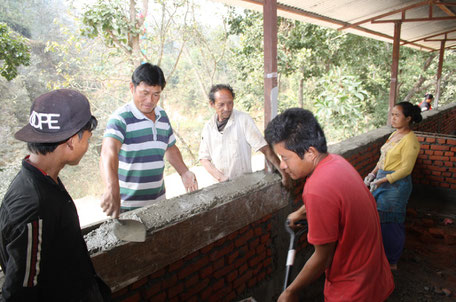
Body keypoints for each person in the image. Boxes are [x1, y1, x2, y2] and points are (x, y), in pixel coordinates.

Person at [265, 108, 394, 302]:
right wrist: (300, 212)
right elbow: (335, 198)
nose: (282, 165)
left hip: (352, 290)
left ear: (310, 152)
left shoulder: (316, 188)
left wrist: (290, 292)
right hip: (374, 275)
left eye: (285, 157)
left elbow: (322, 258)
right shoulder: (336, 162)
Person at [0, 89, 111, 301]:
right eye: (87, 138)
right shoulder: (34, 206)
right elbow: (19, 293)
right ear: (71, 142)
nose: (88, 145)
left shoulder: (44, 180)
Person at [100, 63, 198, 218]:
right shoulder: (120, 119)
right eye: (144, 93)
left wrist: (184, 172)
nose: (150, 100)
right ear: (132, 88)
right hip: (128, 208)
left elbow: (170, 148)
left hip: (159, 202)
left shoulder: (162, 116)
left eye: (156, 94)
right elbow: (108, 152)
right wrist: (111, 187)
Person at [364, 101, 422, 271]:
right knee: (379, 219)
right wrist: (373, 173)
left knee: (391, 223)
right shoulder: (395, 134)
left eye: (397, 115)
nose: (393, 118)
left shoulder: (410, 141)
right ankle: (380, 254)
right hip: (382, 179)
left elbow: (406, 169)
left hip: (396, 186)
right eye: (392, 114)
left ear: (408, 118)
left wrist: (382, 180)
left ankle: (391, 261)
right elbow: (383, 158)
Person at [198, 84, 290, 186]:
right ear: (212, 104)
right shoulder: (208, 127)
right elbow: (204, 158)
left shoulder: (243, 120)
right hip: (219, 186)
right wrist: (220, 177)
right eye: (221, 104)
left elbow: (264, 148)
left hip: (244, 184)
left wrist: (284, 173)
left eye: (230, 103)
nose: (227, 108)